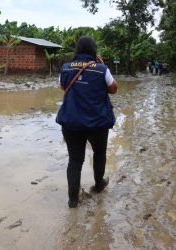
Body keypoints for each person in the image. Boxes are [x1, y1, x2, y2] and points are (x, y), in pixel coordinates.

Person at [56, 36, 118, 208]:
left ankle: (73, 201)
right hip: (97, 124)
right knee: (99, 154)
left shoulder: (66, 67)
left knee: (75, 161)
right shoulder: (102, 68)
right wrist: (101, 66)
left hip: (71, 123)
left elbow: (63, 86)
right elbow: (113, 89)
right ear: (94, 51)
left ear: (77, 50)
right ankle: (99, 185)